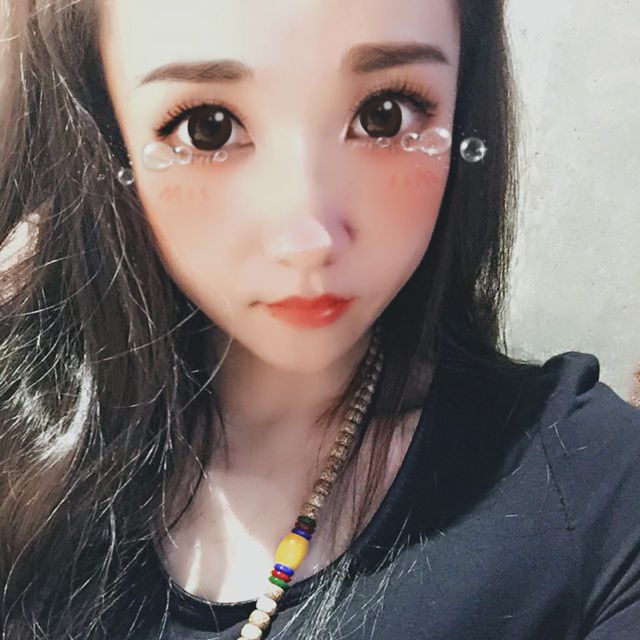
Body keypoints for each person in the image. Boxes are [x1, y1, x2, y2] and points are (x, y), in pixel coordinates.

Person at [0, 0, 638, 638]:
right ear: (106, 134)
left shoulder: (590, 492)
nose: (308, 237)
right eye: (207, 128)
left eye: (384, 115)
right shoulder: (23, 448)